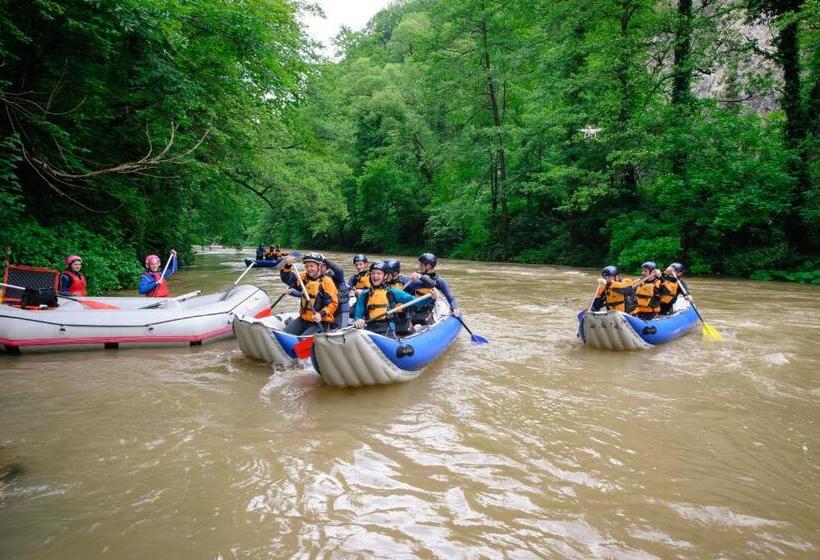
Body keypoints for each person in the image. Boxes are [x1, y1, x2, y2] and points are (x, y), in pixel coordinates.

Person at [352, 261, 433, 337]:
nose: (375, 276)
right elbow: (358, 314)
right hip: (370, 330)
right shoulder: (365, 294)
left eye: (378, 274)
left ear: (385, 276)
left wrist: (431, 298)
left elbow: (414, 302)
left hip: (387, 329)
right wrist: (358, 320)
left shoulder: (392, 292)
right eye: (373, 273)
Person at [279, 253, 338, 335]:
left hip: (320, 321)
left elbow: (332, 304)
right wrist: (288, 265)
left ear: (319, 266)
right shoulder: (303, 277)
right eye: (306, 266)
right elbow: (288, 279)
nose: (309, 268)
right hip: (303, 319)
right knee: (284, 334)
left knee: (301, 341)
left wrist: (320, 314)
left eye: (311, 266)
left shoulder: (327, 281)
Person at [403, 252, 460, 326]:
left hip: (429, 310)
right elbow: (407, 288)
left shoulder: (439, 281)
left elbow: (450, 298)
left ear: (429, 266)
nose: (419, 266)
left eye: (422, 264)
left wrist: (455, 307)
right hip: (414, 308)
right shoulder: (416, 277)